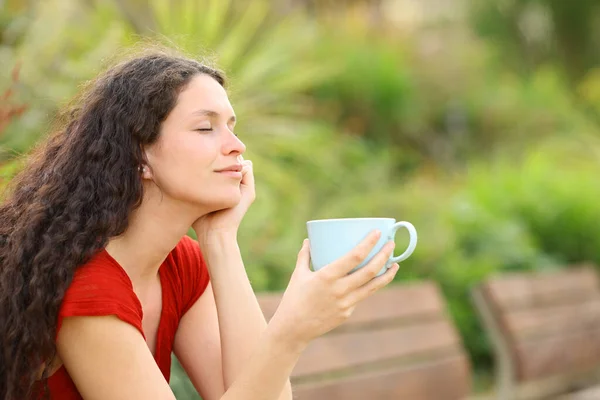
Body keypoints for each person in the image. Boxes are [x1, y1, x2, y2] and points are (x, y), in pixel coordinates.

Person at [0, 48, 400, 400]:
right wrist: (290, 333)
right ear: (140, 156)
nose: (235, 145)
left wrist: (221, 241)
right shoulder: (89, 289)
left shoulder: (182, 265)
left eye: (232, 126)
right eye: (206, 127)